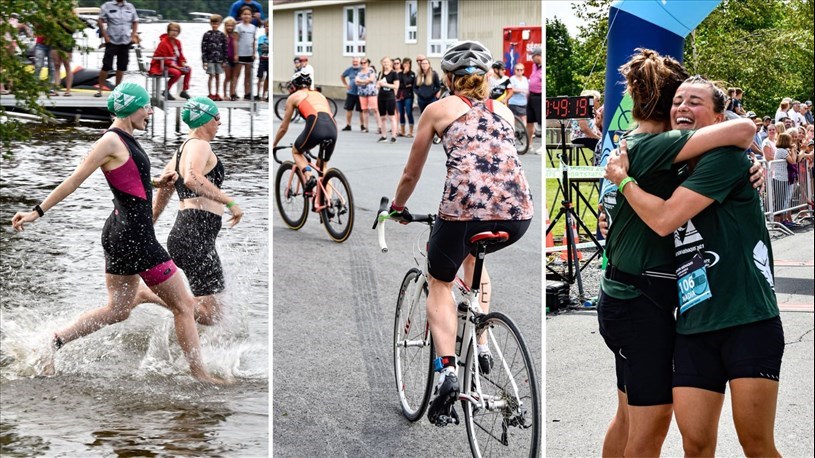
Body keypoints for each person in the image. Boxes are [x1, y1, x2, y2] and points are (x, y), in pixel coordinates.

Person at [604, 75, 783, 458]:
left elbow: (666, 219)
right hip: (693, 324)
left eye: (695, 101)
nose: (683, 106)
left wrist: (623, 182)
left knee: (756, 444)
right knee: (696, 445)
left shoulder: (730, 159)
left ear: (719, 118)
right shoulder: (671, 166)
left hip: (746, 318)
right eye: (678, 100)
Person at [10, 83, 223, 384]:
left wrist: (158, 181)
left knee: (119, 309)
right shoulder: (110, 140)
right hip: (135, 235)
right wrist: (36, 212)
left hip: (119, 230)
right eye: (146, 106)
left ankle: (54, 341)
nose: (150, 112)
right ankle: (200, 375)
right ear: (132, 107)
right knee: (185, 306)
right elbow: (74, 180)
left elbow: (129, 178)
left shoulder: (124, 139)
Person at [387, 41, 534, 426]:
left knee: (440, 281)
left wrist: (398, 208)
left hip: (463, 212)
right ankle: (482, 339)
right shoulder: (502, 109)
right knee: (474, 257)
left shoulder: (437, 109)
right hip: (518, 214)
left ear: (449, 79)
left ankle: (448, 373)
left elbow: (411, 172)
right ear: (486, 78)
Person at [150, 97, 244, 325]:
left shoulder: (182, 150)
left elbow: (164, 189)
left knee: (207, 307)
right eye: (217, 117)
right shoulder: (200, 145)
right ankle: (147, 296)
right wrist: (229, 202)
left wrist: (149, 224)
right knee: (213, 315)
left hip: (187, 235)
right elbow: (192, 178)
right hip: (194, 237)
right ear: (204, 120)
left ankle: (194, 344)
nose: (219, 123)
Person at [273, 70, 338, 194]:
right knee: (323, 167)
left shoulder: (293, 97)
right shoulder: (320, 95)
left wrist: (274, 144)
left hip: (316, 126)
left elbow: (283, 127)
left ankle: (308, 176)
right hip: (332, 127)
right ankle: (327, 205)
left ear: (294, 86)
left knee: (296, 151)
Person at [95, 0, 139, 97]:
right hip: (112, 40)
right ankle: (100, 89)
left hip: (125, 40)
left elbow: (135, 21)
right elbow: (100, 20)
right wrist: (105, 36)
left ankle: (117, 89)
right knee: (106, 65)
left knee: (122, 66)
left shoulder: (130, 7)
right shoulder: (107, 5)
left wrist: (133, 35)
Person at [149, 22, 191, 100]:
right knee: (177, 73)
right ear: (168, 31)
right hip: (161, 66)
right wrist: (178, 68)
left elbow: (181, 56)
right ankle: (166, 90)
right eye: (172, 30)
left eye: (176, 31)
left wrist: (183, 64)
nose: (174, 33)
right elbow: (166, 60)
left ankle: (184, 91)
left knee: (188, 69)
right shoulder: (163, 43)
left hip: (175, 65)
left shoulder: (177, 42)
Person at [202, 14, 227, 101]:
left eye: (216, 23)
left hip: (219, 60)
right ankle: (210, 93)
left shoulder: (222, 35)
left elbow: (225, 48)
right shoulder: (207, 34)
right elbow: (203, 48)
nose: (215, 25)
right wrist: (204, 61)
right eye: (213, 23)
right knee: (210, 76)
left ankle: (217, 93)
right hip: (209, 59)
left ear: (219, 24)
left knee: (218, 76)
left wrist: (224, 60)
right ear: (210, 23)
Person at [234, 7, 257, 100]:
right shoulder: (238, 27)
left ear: (251, 16)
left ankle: (247, 93)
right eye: (244, 14)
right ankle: (233, 92)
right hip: (240, 54)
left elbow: (253, 41)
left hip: (249, 54)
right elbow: (235, 41)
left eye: (248, 14)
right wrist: (236, 54)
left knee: (248, 75)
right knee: (237, 74)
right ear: (241, 16)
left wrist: (254, 53)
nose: (246, 16)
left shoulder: (253, 28)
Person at [376, 56, 400, 143]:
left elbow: (396, 86)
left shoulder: (394, 73)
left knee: (391, 116)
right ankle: (384, 135)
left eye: (387, 62)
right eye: (384, 62)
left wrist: (385, 84)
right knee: (382, 117)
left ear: (390, 63)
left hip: (390, 96)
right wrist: (378, 85)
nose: (385, 64)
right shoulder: (380, 73)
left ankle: (394, 136)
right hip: (381, 96)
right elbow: (378, 84)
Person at [355, 58, 381, 134]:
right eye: (361, 63)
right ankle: (366, 127)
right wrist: (364, 82)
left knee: (375, 109)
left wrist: (361, 81)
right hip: (362, 92)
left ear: (368, 63)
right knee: (364, 109)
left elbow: (371, 79)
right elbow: (356, 82)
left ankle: (379, 127)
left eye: (365, 62)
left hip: (371, 92)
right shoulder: (359, 72)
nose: (363, 64)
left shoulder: (371, 70)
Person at [340, 57, 363, 131]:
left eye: (356, 61)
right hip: (351, 93)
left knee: (361, 110)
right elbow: (342, 76)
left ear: (359, 62)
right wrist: (346, 85)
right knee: (349, 109)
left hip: (360, 93)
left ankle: (362, 125)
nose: (355, 63)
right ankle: (348, 125)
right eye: (354, 61)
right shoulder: (349, 69)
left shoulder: (362, 69)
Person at [526, 47, 542, 149]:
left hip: (539, 96)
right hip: (531, 96)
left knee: (540, 121)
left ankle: (541, 145)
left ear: (538, 56)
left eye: (533, 56)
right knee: (529, 121)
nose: (532, 58)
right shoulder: (534, 66)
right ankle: (529, 144)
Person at [397, 57, 416, 137]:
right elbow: (399, 85)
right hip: (400, 95)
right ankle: (402, 130)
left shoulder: (412, 74)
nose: (406, 65)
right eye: (405, 63)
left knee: (408, 112)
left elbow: (410, 83)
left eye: (408, 63)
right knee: (401, 113)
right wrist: (404, 74)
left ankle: (411, 131)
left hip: (408, 96)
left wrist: (406, 81)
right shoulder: (399, 74)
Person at [222, 17, 239, 101]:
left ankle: (232, 93)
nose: (229, 27)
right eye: (228, 26)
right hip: (226, 59)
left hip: (234, 58)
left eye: (231, 26)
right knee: (227, 77)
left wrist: (236, 55)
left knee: (234, 77)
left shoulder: (235, 35)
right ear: (225, 26)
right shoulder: (224, 36)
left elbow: (236, 45)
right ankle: (225, 94)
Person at [256, 20, 269, 101]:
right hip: (262, 59)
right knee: (260, 77)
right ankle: (258, 94)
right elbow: (259, 48)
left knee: (268, 78)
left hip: (269, 60)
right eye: (266, 26)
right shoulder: (261, 38)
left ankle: (265, 94)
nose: (268, 28)